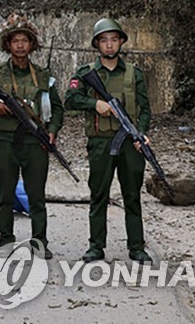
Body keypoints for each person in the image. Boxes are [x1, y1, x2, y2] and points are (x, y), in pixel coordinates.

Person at [64, 17, 153, 264]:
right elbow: (69, 100)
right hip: (101, 143)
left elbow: (145, 109)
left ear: (121, 42)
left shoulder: (134, 73)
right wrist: (95, 104)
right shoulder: (86, 73)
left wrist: (141, 133)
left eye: (114, 40)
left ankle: (137, 246)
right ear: (97, 44)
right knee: (99, 194)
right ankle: (96, 246)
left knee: (132, 195)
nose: (110, 45)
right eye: (104, 41)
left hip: (129, 144)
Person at [0, 12, 64, 257]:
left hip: (35, 142)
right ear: (8, 45)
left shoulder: (44, 76)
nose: (21, 45)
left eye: (25, 40)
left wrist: (53, 132)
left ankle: (40, 242)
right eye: (16, 41)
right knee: (5, 193)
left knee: (36, 195)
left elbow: (57, 108)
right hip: (4, 141)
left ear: (32, 44)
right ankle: (6, 241)